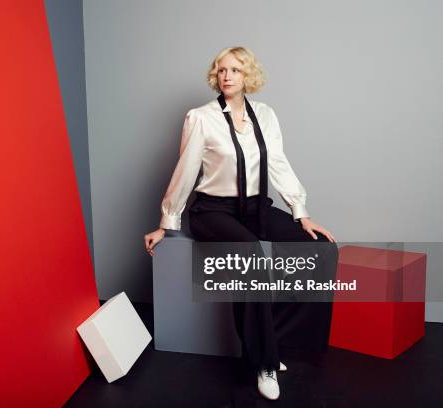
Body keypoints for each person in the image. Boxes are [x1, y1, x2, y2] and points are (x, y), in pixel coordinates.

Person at [143, 46, 339, 401]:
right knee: (251, 257)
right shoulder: (200, 117)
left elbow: (277, 162)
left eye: (235, 70)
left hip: (256, 207)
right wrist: (166, 221)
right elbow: (185, 171)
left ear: (248, 75)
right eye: (221, 70)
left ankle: (274, 341)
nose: (227, 76)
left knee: (321, 250)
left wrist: (300, 210)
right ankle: (262, 362)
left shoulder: (265, 114)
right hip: (213, 211)